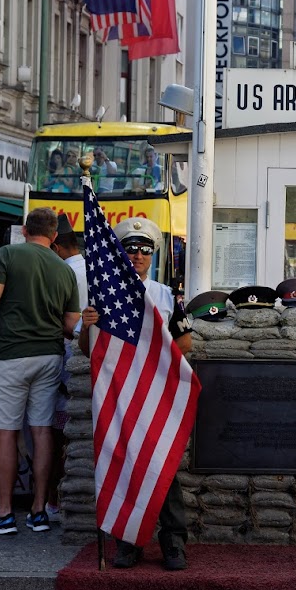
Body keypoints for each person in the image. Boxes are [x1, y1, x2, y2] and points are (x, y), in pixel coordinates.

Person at [80, 217, 192, 571]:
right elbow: (88, 349)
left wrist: (154, 357)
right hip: (119, 395)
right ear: (120, 253)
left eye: (145, 250)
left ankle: (173, 543)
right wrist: (87, 325)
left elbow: (185, 342)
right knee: (124, 467)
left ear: (153, 255)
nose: (138, 255)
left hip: (156, 393)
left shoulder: (164, 294)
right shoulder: (103, 295)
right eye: (131, 249)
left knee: (163, 468)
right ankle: (126, 543)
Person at [0, 208, 80, 537]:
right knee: (43, 431)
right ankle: (39, 510)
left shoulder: (7, 255)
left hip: (11, 355)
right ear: (55, 236)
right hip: (49, 356)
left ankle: (4, 514)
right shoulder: (64, 270)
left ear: (23, 230)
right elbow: (71, 324)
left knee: (5, 433)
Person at [49, 214, 87, 527]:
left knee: (58, 431)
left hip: (67, 357)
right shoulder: (95, 268)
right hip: (94, 358)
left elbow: (64, 320)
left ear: (59, 247)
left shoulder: (61, 271)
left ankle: (53, 499)